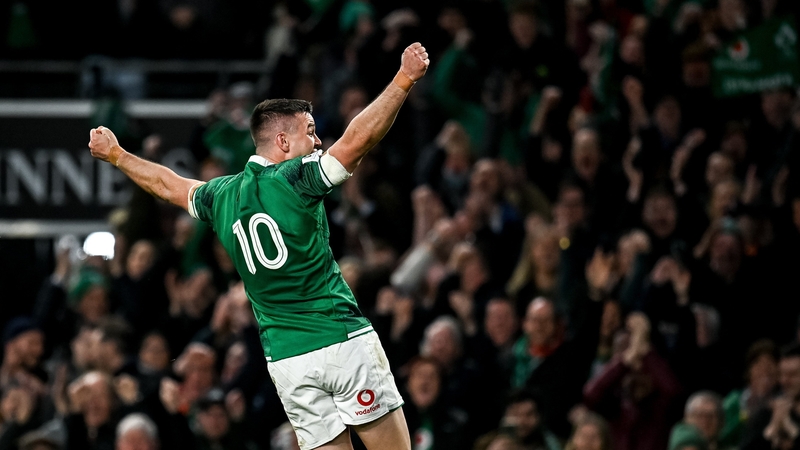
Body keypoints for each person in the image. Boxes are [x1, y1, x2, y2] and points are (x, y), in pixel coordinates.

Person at [87, 42, 430, 450]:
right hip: (340, 339)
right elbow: (358, 139)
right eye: (310, 131)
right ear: (283, 142)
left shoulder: (222, 195)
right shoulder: (298, 179)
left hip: (287, 360)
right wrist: (403, 79)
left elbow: (168, 184)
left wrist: (119, 156)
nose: (318, 142)